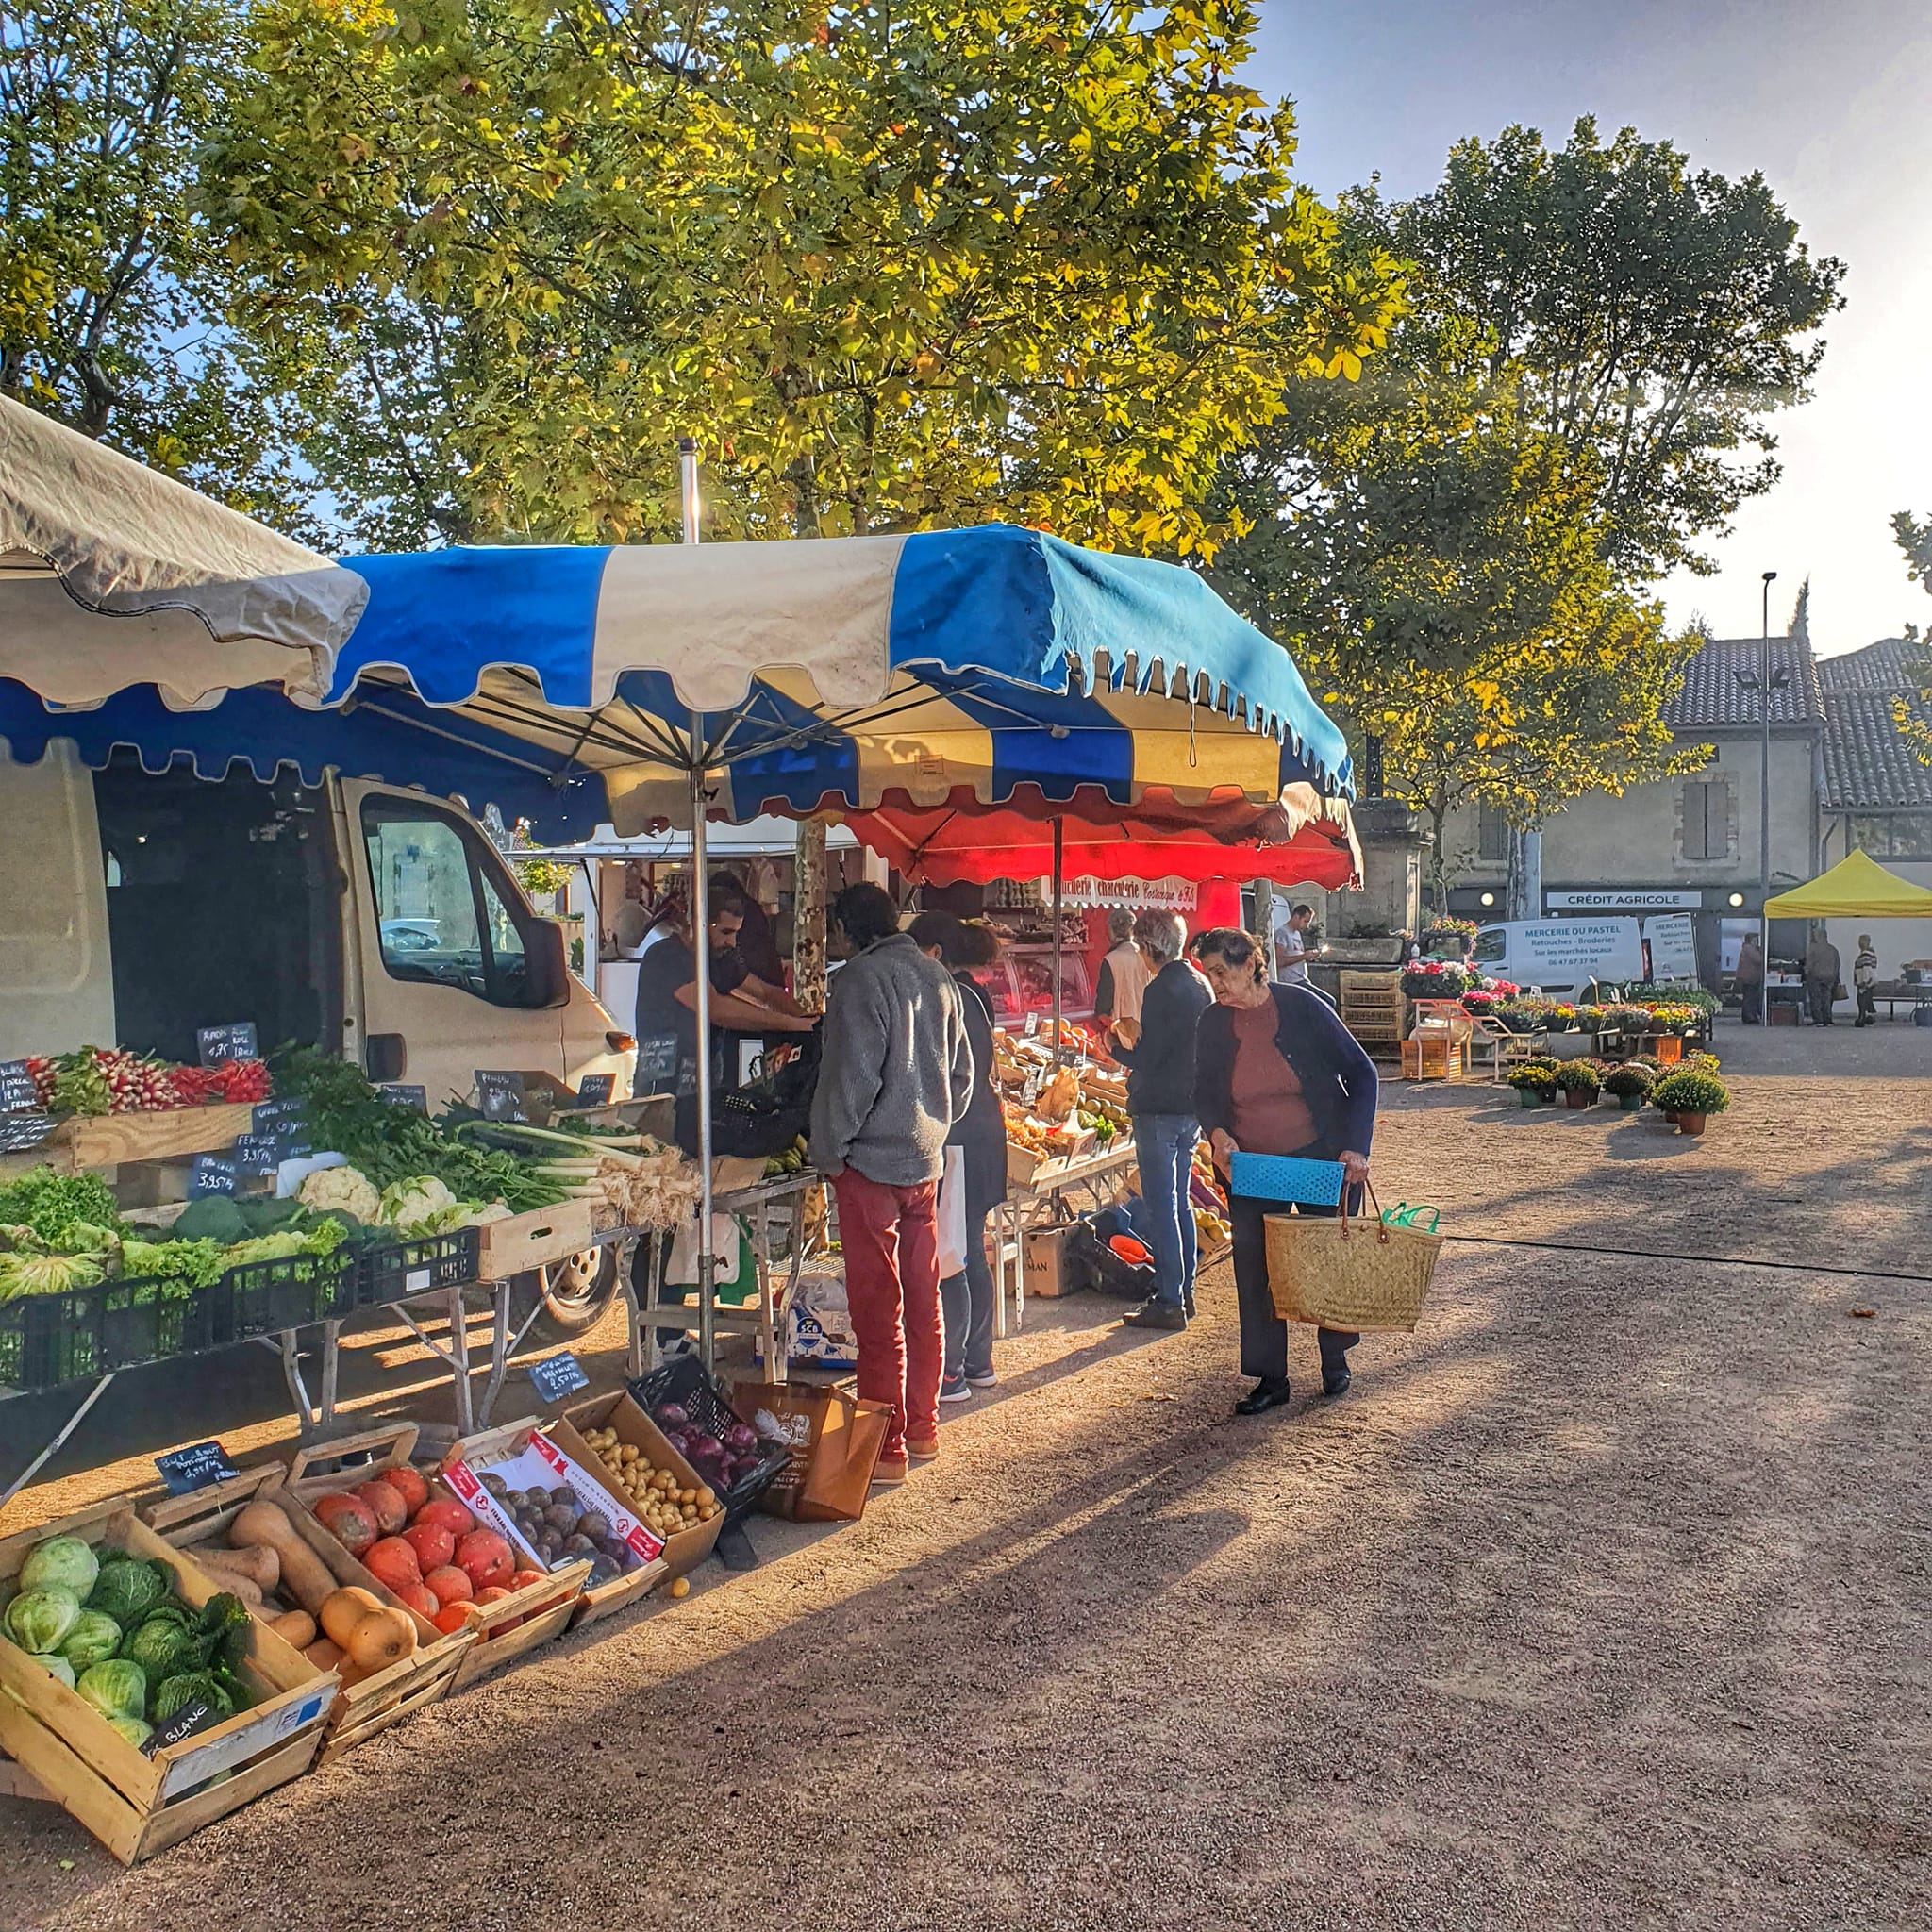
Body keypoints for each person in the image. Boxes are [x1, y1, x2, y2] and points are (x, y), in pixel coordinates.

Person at [811, 884, 974, 1484]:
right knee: (922, 1297)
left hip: (870, 1167)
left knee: (878, 1308)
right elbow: (962, 1075)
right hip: (923, 1163)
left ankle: (887, 1448)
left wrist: (829, 1153)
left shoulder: (859, 980)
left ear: (850, 930)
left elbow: (848, 1081)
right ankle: (923, 1429)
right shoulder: (938, 979)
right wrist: (933, 1126)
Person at [1190, 925, 1378, 1416]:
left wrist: (1356, 1148)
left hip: (1320, 1155)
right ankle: (1271, 1378)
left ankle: (1334, 1358)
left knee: (1325, 1261)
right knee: (1256, 1271)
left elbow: (1363, 1074)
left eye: (1221, 972)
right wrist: (1216, 1133)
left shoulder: (1304, 1007)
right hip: (1252, 1166)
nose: (1215, 984)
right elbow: (1204, 1092)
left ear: (1252, 964)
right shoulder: (1212, 1022)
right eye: (1207, 975)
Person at [908, 912, 1007, 1401]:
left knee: (954, 1254)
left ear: (936, 954)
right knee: (969, 1247)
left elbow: (951, 1076)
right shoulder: (972, 994)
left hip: (962, 1137)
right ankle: (978, 1359)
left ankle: (954, 1372)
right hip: (982, 1134)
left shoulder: (949, 997)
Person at [633, 888, 813, 1151]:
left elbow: (766, 992)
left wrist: (810, 1019)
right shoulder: (665, 956)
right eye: (725, 932)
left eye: (736, 933)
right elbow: (714, 1007)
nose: (731, 942)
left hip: (704, 1086)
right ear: (698, 923)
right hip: (662, 1088)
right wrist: (794, 1025)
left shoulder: (718, 959)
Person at [1108, 910, 1211, 1331]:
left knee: (1163, 1205)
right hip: (1190, 1108)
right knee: (1180, 1203)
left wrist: (1114, 1047)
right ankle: (1182, 1291)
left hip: (1159, 1109)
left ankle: (1169, 1298)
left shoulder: (1161, 989)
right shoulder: (1198, 983)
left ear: (1150, 949)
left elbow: (1147, 1058)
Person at [1093, 908, 1150, 1030]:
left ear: (1111, 931)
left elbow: (1103, 1009)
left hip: (1122, 1034)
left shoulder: (1111, 960)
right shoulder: (1146, 955)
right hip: (1146, 1030)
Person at [1272, 902, 1323, 985]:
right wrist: (1304, 956)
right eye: (1305, 921)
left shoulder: (1297, 933)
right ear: (1296, 917)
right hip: (1290, 981)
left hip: (1301, 978)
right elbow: (1279, 961)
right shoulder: (1282, 934)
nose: (1307, 926)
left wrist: (1310, 956)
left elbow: (1298, 954)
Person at [1803, 926, 1841, 1026]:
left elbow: (1809, 965)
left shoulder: (1813, 949)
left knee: (1815, 998)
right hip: (1829, 978)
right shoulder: (1833, 949)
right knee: (1827, 998)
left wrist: (1806, 971)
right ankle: (1827, 1020)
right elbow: (1837, 964)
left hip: (1815, 977)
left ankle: (1818, 1020)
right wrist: (1835, 976)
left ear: (1819, 937)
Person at [1736, 930, 1765, 1026]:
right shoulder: (1749, 949)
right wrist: (1761, 952)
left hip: (1747, 977)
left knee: (1748, 997)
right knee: (1750, 998)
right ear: (1751, 940)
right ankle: (1750, 1017)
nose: (1757, 942)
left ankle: (1748, 1016)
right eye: (1756, 940)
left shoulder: (1746, 948)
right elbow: (1758, 959)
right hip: (1749, 978)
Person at [1853, 933, 1880, 1026]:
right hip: (1871, 982)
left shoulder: (1864, 955)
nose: (1859, 943)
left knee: (1861, 1000)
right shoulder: (1872, 955)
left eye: (1860, 941)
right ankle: (1866, 1017)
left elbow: (1866, 969)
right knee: (1866, 1000)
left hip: (1864, 982)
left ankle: (1862, 1018)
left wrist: (1864, 982)